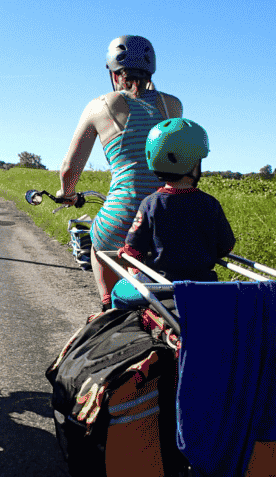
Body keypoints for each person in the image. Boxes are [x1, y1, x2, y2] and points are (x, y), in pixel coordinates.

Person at [54, 35, 183, 308]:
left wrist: (67, 194)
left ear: (112, 73)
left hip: (123, 214)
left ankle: (107, 308)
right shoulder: (173, 105)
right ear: (151, 71)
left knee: (99, 243)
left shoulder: (99, 106)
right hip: (170, 213)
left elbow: (68, 169)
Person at [122, 118, 235, 282]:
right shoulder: (210, 204)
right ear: (194, 164)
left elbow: (133, 249)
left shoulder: (150, 204)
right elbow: (226, 247)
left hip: (162, 287)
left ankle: (107, 305)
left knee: (119, 293)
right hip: (206, 287)